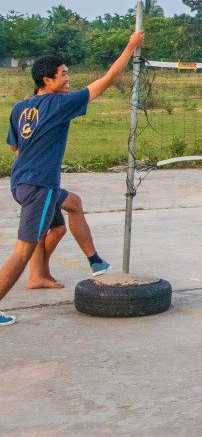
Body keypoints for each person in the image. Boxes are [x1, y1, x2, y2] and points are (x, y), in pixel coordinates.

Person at [1, 30, 145, 326]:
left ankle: (43, 275)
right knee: (21, 252)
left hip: (22, 182)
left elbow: (14, 146)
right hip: (39, 185)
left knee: (69, 210)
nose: (68, 79)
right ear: (47, 81)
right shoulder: (59, 104)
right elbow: (107, 81)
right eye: (63, 75)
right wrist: (131, 46)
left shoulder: (21, 107)